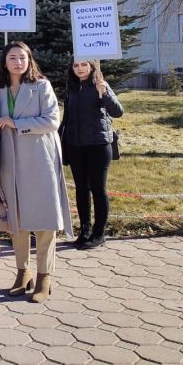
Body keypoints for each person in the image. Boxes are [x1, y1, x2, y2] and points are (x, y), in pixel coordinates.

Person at [0, 42, 73, 303]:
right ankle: (22, 272)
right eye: (12, 58)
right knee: (16, 221)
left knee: (43, 220)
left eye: (22, 57)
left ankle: (44, 277)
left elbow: (52, 120)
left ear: (29, 60)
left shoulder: (41, 86)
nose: (18, 62)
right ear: (4, 61)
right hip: (9, 163)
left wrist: (16, 124)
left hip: (39, 160)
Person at [61, 59, 123, 249]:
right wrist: (61, 141)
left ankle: (99, 233)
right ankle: (85, 231)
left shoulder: (100, 85)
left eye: (83, 65)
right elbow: (66, 119)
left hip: (98, 145)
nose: (79, 69)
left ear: (91, 66)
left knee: (98, 188)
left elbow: (118, 112)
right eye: (76, 65)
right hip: (76, 146)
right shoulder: (72, 88)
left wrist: (104, 93)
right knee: (81, 189)